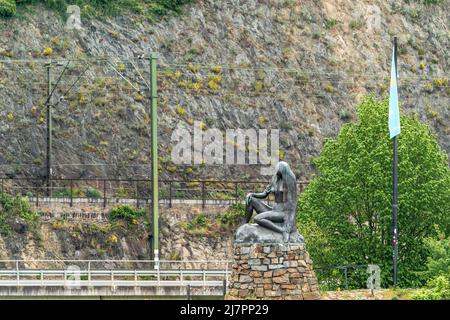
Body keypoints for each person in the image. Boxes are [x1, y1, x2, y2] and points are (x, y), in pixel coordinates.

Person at [245, 161, 298, 242]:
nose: (277, 172)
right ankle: (245, 225)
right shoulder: (275, 178)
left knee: (257, 219)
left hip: (283, 213)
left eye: (279, 171)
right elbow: (264, 194)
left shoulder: (289, 180)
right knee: (250, 200)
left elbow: (293, 205)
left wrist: (289, 225)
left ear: (284, 171)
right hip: (273, 210)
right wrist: (252, 194)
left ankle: (282, 230)